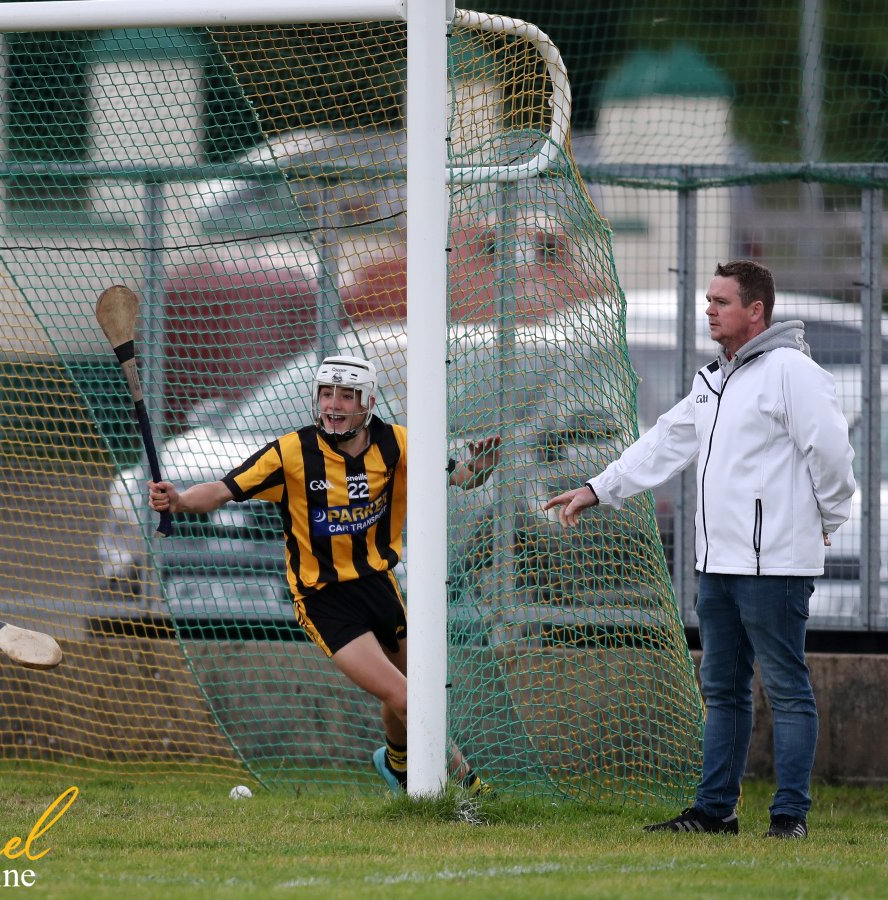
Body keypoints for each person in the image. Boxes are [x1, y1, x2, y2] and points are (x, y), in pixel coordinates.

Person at [544, 260, 855, 839]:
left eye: (721, 301)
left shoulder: (794, 371)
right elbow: (664, 441)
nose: (709, 309)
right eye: (708, 300)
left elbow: (833, 456)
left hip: (775, 568)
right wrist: (596, 489)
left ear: (755, 311)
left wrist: (828, 519)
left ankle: (790, 817)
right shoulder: (712, 378)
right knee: (723, 691)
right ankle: (716, 812)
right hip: (715, 567)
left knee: (786, 688)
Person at [149, 354, 499, 793]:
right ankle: (468, 785)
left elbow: (462, 477)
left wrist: (480, 470)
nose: (334, 404)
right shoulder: (292, 452)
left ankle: (396, 765)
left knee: (412, 690)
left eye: (346, 395)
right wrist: (178, 501)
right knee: (409, 697)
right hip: (323, 598)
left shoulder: (397, 445)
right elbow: (220, 491)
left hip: (379, 587)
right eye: (327, 393)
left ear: (367, 402)